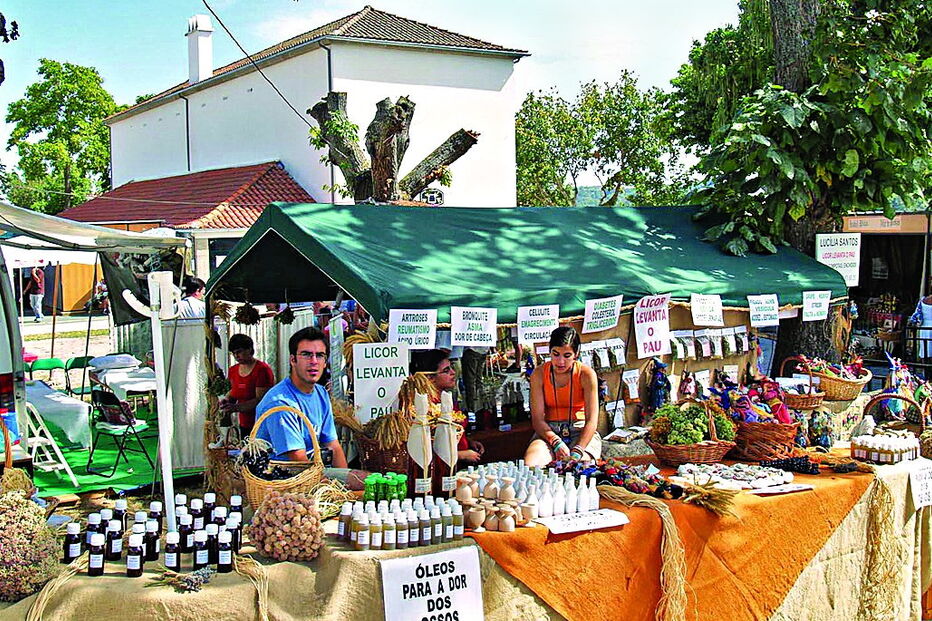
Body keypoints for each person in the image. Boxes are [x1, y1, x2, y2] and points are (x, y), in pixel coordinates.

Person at [255, 326, 348, 467]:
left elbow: (333, 445)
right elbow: (298, 461)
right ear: (293, 360)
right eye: (306, 354)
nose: (314, 361)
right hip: (283, 480)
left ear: (325, 362)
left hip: (311, 471)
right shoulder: (281, 403)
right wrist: (329, 488)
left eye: (320, 355)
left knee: (362, 479)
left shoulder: (321, 393)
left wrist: (345, 485)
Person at [524, 326, 602, 467]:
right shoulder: (539, 374)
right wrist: (555, 441)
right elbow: (537, 420)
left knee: (581, 467)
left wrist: (578, 450)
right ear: (550, 351)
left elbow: (591, 421)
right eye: (556, 354)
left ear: (576, 354)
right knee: (532, 464)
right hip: (549, 431)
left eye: (567, 356)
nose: (560, 362)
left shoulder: (587, 374)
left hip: (581, 431)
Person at [410, 349, 484, 465]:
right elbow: (427, 448)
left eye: (451, 367)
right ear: (430, 378)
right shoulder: (425, 408)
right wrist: (461, 454)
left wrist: (468, 442)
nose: (453, 372)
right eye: (446, 370)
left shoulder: (445, 398)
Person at [220, 334, 275, 438]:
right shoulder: (233, 370)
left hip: (261, 423)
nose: (236, 356)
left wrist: (235, 407)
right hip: (244, 423)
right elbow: (234, 391)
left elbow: (261, 400)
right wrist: (227, 400)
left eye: (239, 352)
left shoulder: (262, 370)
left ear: (249, 350)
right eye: (233, 353)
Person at [909, 289, 932, 362]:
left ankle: (924, 368)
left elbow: (915, 315)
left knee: (924, 349)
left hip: (924, 327)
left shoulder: (922, 301)